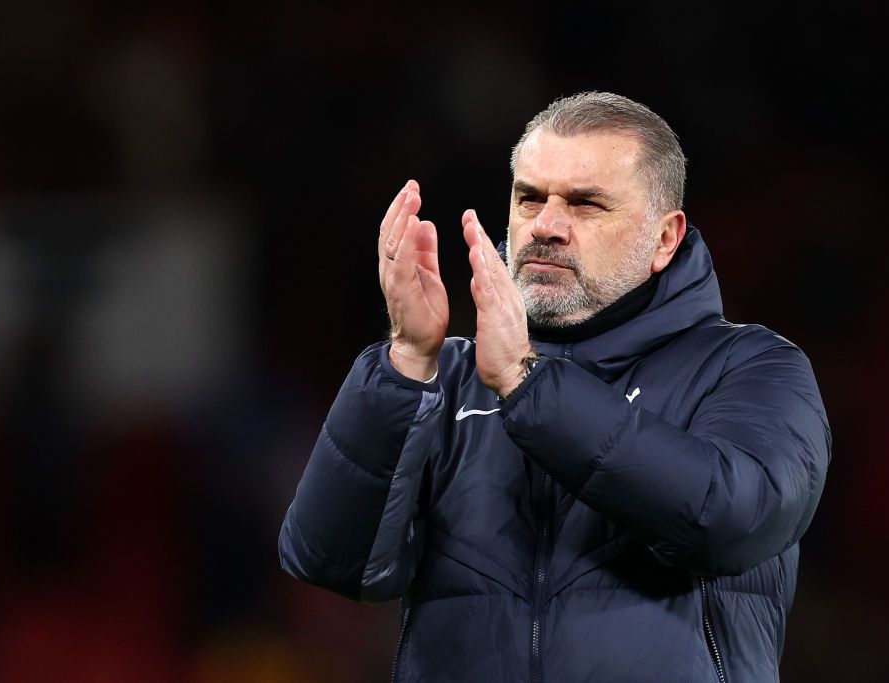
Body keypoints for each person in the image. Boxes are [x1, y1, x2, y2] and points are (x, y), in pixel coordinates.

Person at [279, 92, 831, 682]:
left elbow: (729, 520)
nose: (545, 226)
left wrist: (526, 384)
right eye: (530, 198)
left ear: (664, 239)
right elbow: (338, 564)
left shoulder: (748, 368)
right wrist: (407, 358)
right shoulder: (444, 377)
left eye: (587, 204)